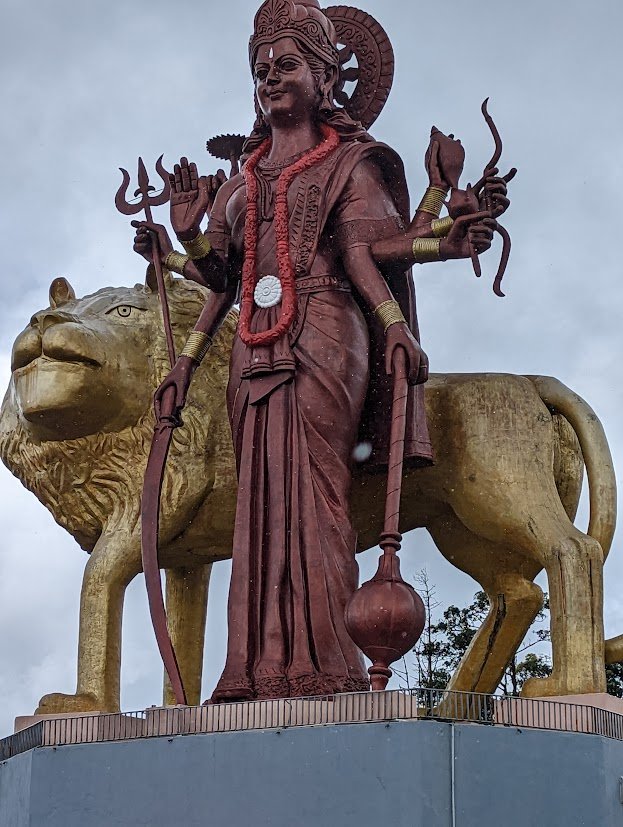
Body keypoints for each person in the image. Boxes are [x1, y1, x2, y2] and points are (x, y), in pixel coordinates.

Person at [133, 0, 508, 701]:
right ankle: (251, 671)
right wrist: (184, 255)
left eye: (287, 65)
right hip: (251, 347)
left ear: (327, 78)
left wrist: (398, 317)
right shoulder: (239, 185)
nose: (270, 78)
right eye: (260, 70)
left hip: (327, 330)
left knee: (315, 493)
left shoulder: (350, 163)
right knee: (258, 502)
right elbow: (221, 280)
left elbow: (370, 252)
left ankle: (328, 663)